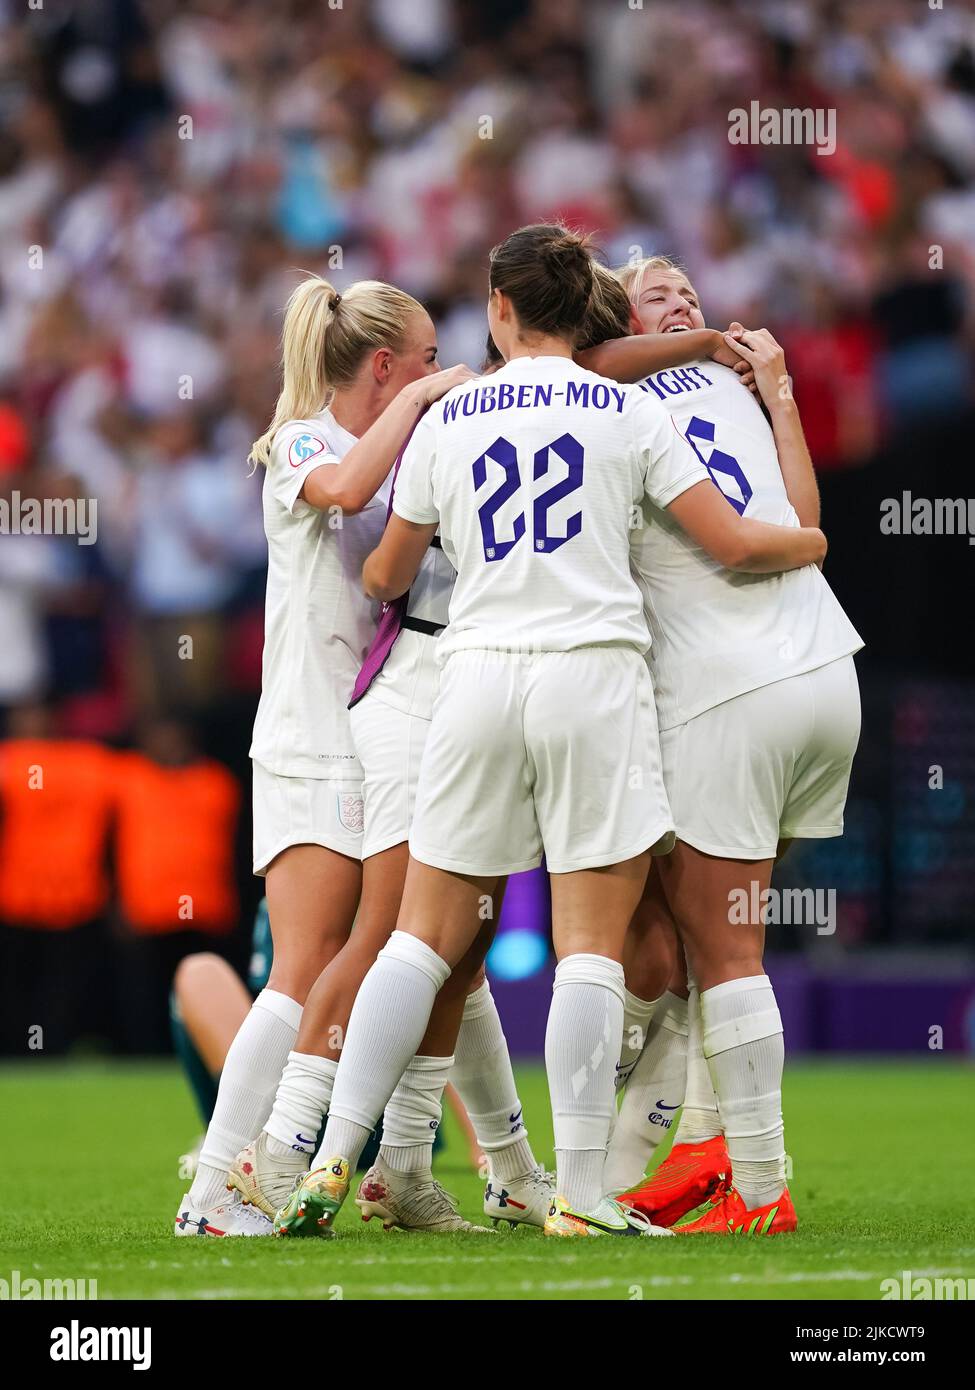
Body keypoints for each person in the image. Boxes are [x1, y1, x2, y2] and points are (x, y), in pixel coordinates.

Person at [276, 223, 826, 1240]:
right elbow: (731, 540)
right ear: (585, 308)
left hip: (476, 679)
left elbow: (385, 574)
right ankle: (584, 1190)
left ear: (499, 308)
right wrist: (813, 537)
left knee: (420, 938)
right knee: (586, 946)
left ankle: (329, 1159)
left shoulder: (454, 410)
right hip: (593, 676)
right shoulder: (624, 411)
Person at [174, 275, 472, 1237]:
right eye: (424, 359)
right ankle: (220, 1183)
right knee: (303, 965)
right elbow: (341, 489)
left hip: (359, 735)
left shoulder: (387, 456)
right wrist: (426, 405)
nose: (435, 372)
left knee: (378, 948)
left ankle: (378, 1165)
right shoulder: (305, 437)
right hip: (310, 737)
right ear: (385, 366)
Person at [605, 256, 863, 1236]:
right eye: (656, 292)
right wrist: (772, 388)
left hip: (732, 685)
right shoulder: (720, 378)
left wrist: (779, 390)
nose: (683, 300)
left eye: (689, 291)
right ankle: (705, 1146)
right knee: (692, 917)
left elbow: (796, 527)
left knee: (714, 947)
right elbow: (808, 525)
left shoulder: (614, 399)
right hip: (827, 673)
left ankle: (756, 1186)